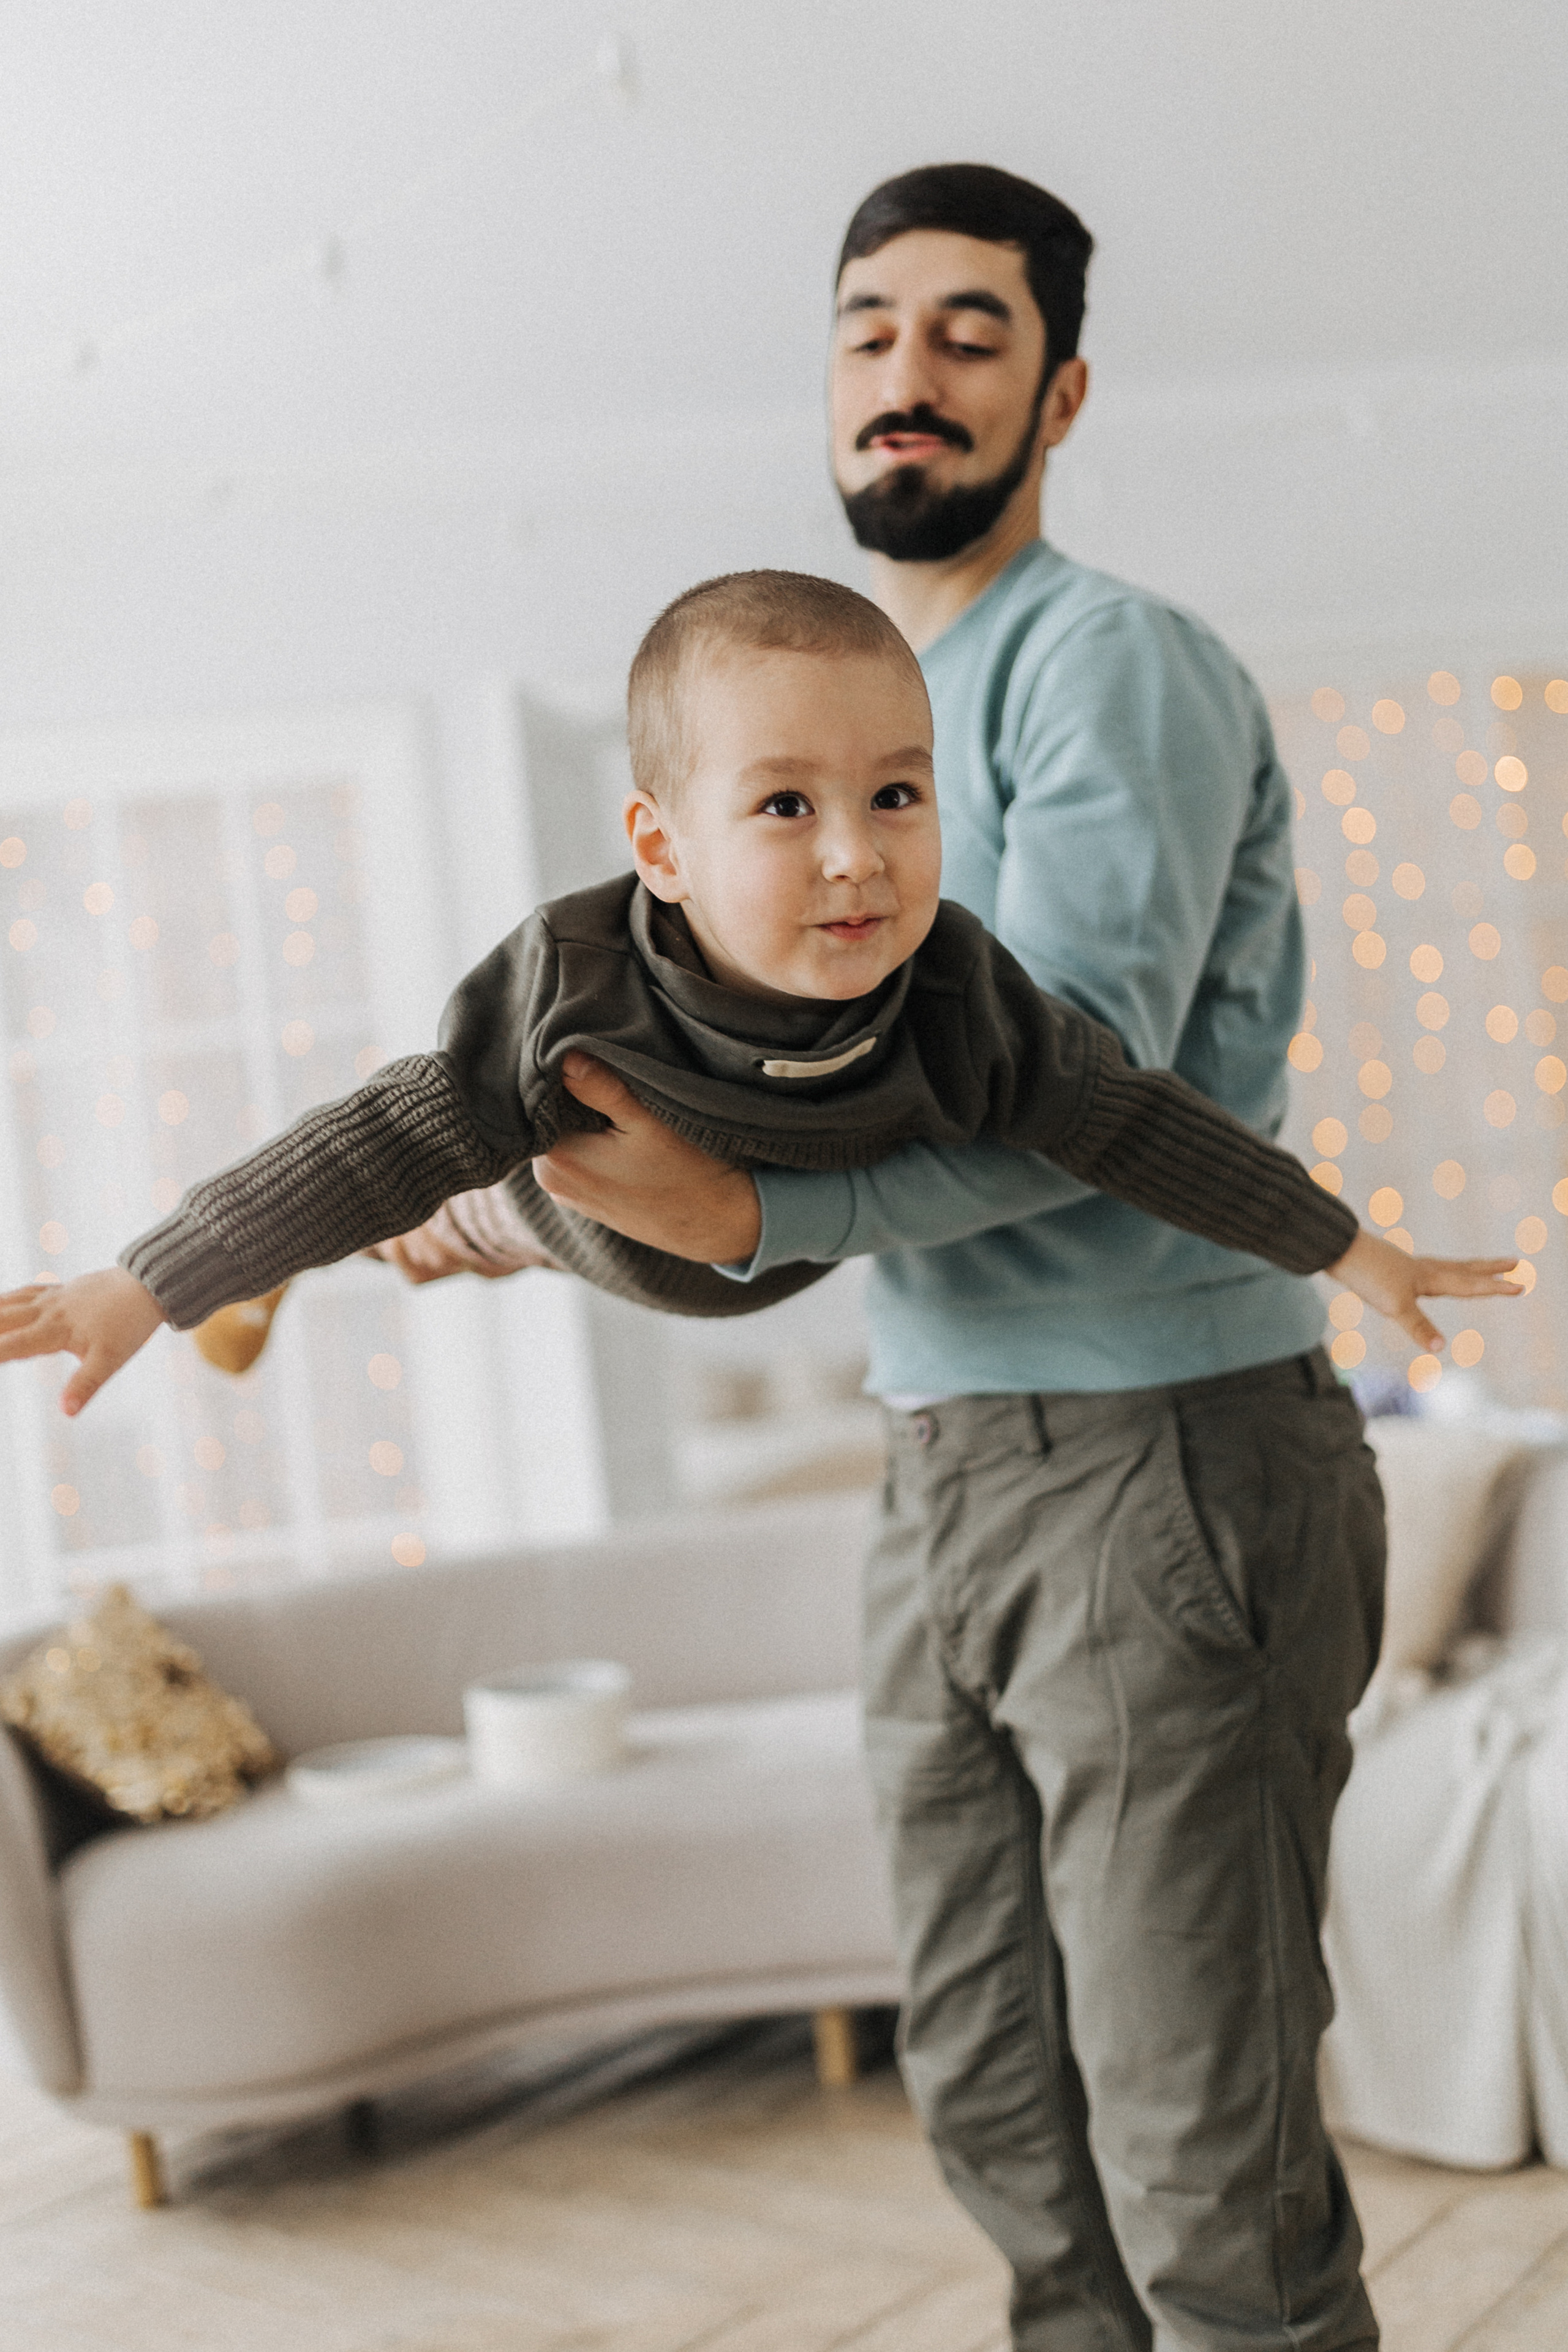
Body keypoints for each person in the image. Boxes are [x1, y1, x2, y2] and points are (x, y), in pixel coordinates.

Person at [394, 168, 1455, 2348]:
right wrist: (545, 1208)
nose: (907, 374)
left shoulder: (1108, 666)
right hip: (949, 1458)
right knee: (998, 2099)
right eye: (870, 329)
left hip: (1166, 1454)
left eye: (970, 335)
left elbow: (1054, 1087)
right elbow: (792, 1092)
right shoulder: (858, 710)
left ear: (1061, 393)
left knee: (1197, 2156)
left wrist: (750, 1220)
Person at [0, 569, 1507, 1422]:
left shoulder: (962, 996)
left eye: (897, 796)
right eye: (784, 808)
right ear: (661, 847)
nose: (855, 860)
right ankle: (271, 1275)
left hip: (767, 1249)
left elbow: (1137, 1127)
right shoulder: (570, 986)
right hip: (588, 1187)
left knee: (493, 1199)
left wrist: (1344, 1248)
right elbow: (364, 1135)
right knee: (457, 1192)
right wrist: (145, 1280)